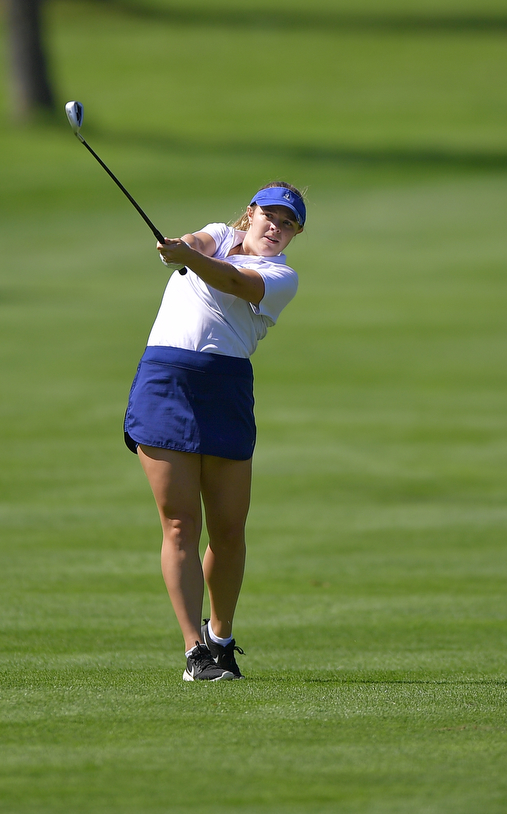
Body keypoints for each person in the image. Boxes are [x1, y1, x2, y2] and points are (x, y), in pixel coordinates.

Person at [123, 183, 306, 681]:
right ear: (250, 215)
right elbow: (201, 244)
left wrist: (187, 257)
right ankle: (193, 652)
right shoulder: (219, 234)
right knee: (180, 523)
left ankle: (219, 637)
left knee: (228, 529)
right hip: (166, 380)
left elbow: (232, 281)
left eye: (288, 224)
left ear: (294, 235)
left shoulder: (280, 276)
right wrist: (183, 248)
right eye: (270, 216)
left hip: (225, 389)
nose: (276, 228)